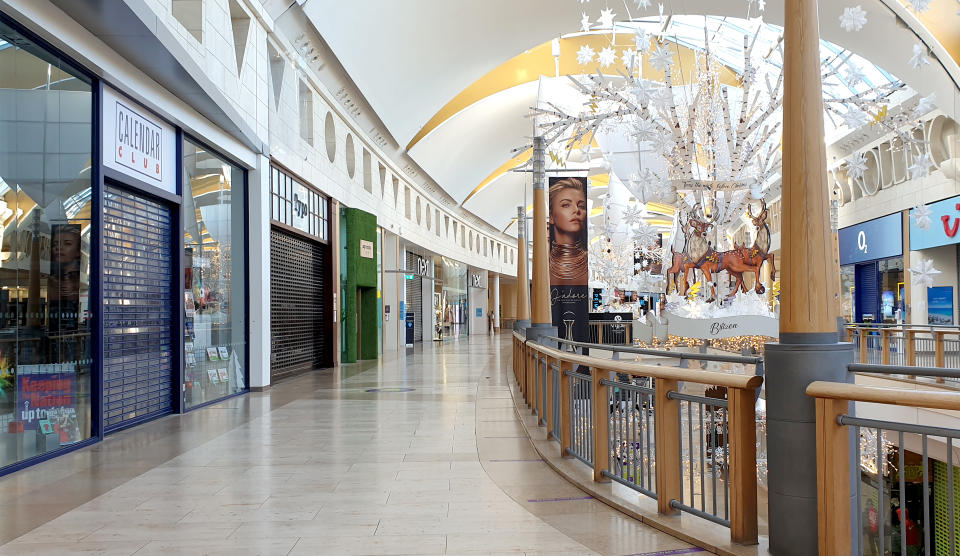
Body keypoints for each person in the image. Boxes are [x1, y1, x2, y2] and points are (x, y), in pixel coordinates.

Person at [548, 178, 588, 285]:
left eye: (581, 206)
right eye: (566, 205)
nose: (576, 210)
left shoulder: (590, 264)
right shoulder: (543, 265)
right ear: (551, 216)